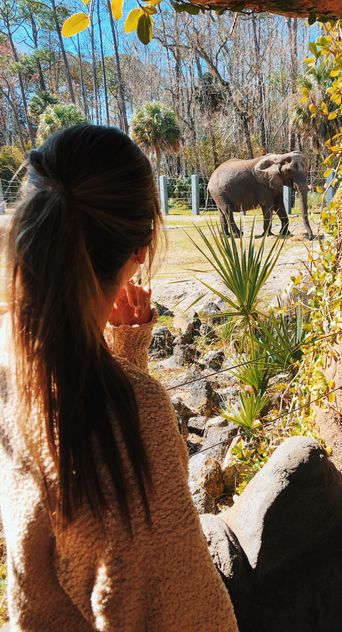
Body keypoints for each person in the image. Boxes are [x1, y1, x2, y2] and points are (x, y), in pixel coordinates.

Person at [0, 125, 239, 631]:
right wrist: (131, 384)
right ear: (140, 249)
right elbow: (182, 610)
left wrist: (123, 357)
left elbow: (79, 539)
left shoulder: (11, 357)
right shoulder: (134, 412)